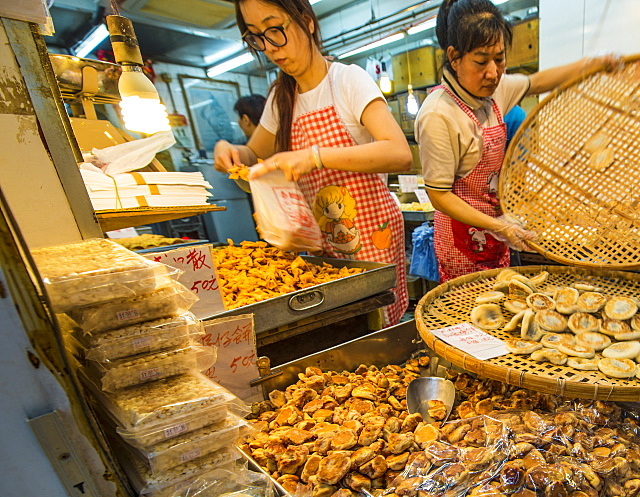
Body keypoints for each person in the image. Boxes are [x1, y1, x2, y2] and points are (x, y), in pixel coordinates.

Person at [213, 0, 412, 325]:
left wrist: (315, 156)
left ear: (306, 21)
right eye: (257, 37)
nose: (270, 47)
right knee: (336, 336)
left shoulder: (347, 80)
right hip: (318, 250)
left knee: (375, 334)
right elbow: (253, 154)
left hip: (370, 245)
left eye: (276, 29)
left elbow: (399, 152)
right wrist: (229, 149)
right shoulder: (281, 96)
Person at [415, 0, 618, 282]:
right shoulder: (438, 113)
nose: (493, 72)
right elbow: (439, 195)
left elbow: (537, 82)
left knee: (504, 305)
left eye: (499, 59)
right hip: (462, 242)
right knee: (470, 316)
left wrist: (591, 65)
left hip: (498, 233)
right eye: (481, 61)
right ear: (454, 57)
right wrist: (497, 225)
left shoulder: (496, 92)